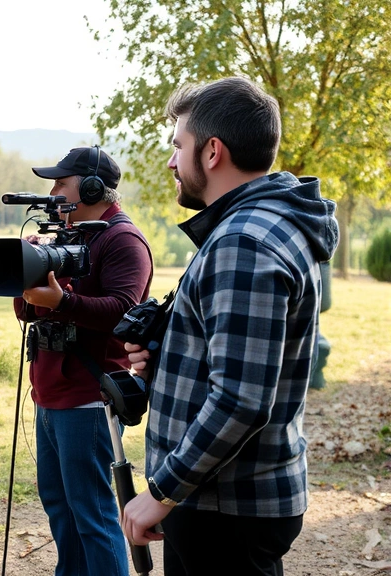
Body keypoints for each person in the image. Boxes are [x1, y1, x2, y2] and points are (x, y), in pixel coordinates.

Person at [121, 76, 339, 575]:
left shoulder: (244, 242)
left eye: (179, 146)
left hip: (224, 508)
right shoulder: (261, 225)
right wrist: (167, 362)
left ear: (213, 151)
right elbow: (244, 367)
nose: (172, 161)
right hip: (224, 501)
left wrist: (161, 491)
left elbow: (241, 400)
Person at [13, 146, 153, 576]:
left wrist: (64, 300)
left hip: (88, 397)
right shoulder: (72, 236)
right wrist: (29, 272)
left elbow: (122, 310)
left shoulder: (122, 239)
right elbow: (27, 312)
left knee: (92, 515)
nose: (53, 193)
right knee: (61, 509)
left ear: (93, 187)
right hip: (50, 394)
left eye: (61, 183)